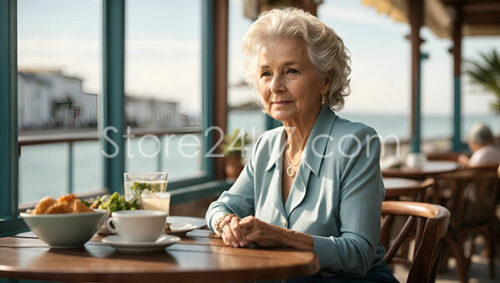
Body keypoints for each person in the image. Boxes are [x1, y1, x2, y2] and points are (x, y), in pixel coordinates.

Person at [205, 8, 397, 282]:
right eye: (266, 73)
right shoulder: (267, 145)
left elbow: (358, 254)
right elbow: (219, 207)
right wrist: (227, 223)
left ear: (326, 80)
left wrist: (283, 237)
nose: (275, 86)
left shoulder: (356, 142)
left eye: (291, 71)